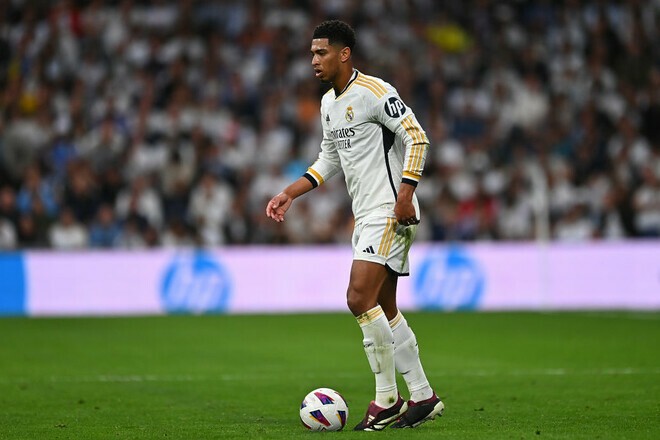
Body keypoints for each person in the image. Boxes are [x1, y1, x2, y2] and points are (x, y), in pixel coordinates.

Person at [266, 20, 443, 431]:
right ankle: (422, 395)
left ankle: (387, 400)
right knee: (385, 308)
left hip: (389, 210)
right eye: (312, 53)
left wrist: (405, 194)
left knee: (358, 297)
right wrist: (291, 191)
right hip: (367, 215)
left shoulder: (375, 92)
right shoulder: (329, 103)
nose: (314, 60)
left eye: (321, 52)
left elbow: (417, 137)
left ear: (344, 54)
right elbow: (329, 158)